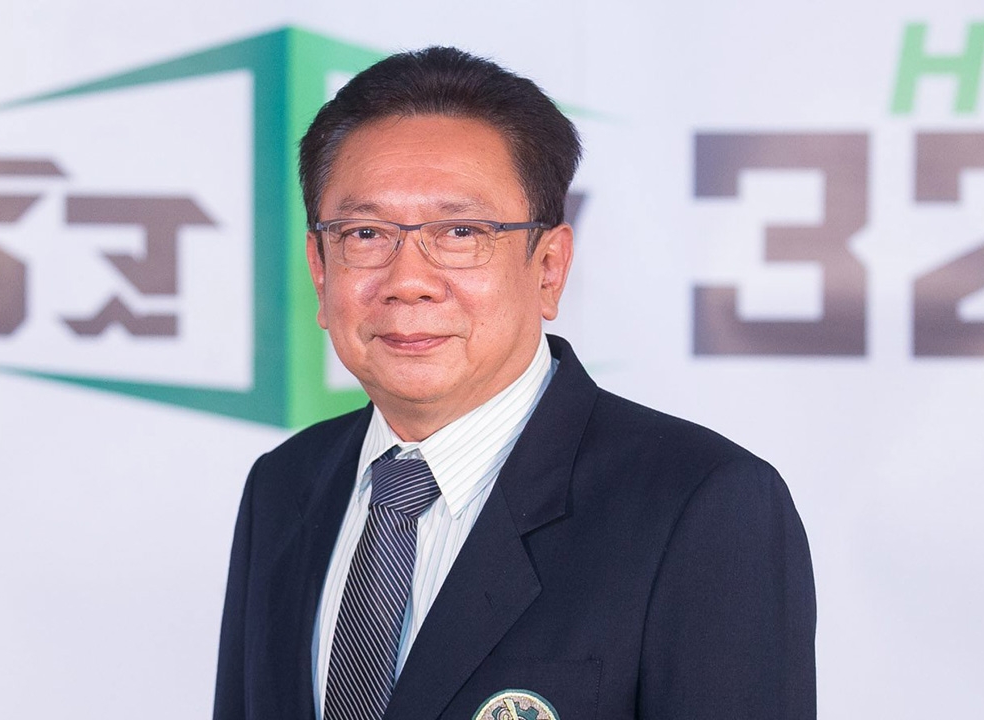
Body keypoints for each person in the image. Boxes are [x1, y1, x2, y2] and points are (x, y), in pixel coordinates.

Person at [213, 46, 815, 720]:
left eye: (460, 232)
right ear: (321, 272)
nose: (408, 281)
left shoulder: (704, 505)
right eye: (365, 234)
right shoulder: (284, 486)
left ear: (550, 267)